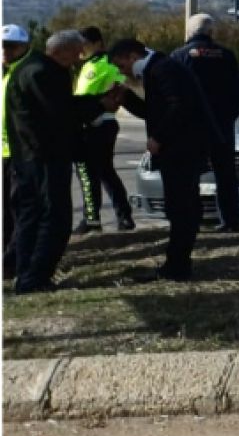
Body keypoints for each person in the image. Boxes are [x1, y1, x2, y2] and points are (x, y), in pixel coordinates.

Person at [5, 30, 122, 293]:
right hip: (44, 157)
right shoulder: (42, 73)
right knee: (54, 218)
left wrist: (97, 102)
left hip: (29, 157)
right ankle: (35, 277)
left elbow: (64, 105)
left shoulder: (33, 69)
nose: (79, 58)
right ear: (60, 51)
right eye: (76, 52)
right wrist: (100, 105)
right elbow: (62, 113)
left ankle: (26, 273)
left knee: (31, 217)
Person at [106, 39, 223, 282]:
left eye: (122, 66)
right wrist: (127, 98)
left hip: (183, 148)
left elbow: (178, 107)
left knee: (181, 206)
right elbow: (155, 110)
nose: (123, 72)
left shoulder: (164, 69)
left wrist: (159, 137)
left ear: (131, 56)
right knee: (179, 205)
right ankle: (177, 261)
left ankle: (178, 265)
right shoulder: (157, 68)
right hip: (181, 148)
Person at [170, 15, 239, 231]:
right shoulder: (227, 56)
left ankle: (190, 221)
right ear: (211, 33)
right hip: (222, 126)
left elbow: (173, 93)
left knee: (190, 176)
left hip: (191, 127)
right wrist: (229, 116)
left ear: (189, 32)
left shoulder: (180, 56)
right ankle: (231, 223)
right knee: (226, 176)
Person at [72, 27, 134, 234]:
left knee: (91, 171)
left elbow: (124, 80)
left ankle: (95, 219)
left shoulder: (105, 62)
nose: (81, 48)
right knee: (102, 172)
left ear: (98, 43)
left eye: (86, 43)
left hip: (99, 123)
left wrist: (115, 97)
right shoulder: (87, 64)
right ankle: (120, 217)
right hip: (87, 122)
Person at [2, 24, 32, 278]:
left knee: (17, 209)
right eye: (1, 45)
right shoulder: (4, 72)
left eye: (10, 46)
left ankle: (13, 261)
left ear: (23, 47)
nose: (4, 50)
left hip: (18, 154)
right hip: (3, 152)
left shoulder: (23, 73)